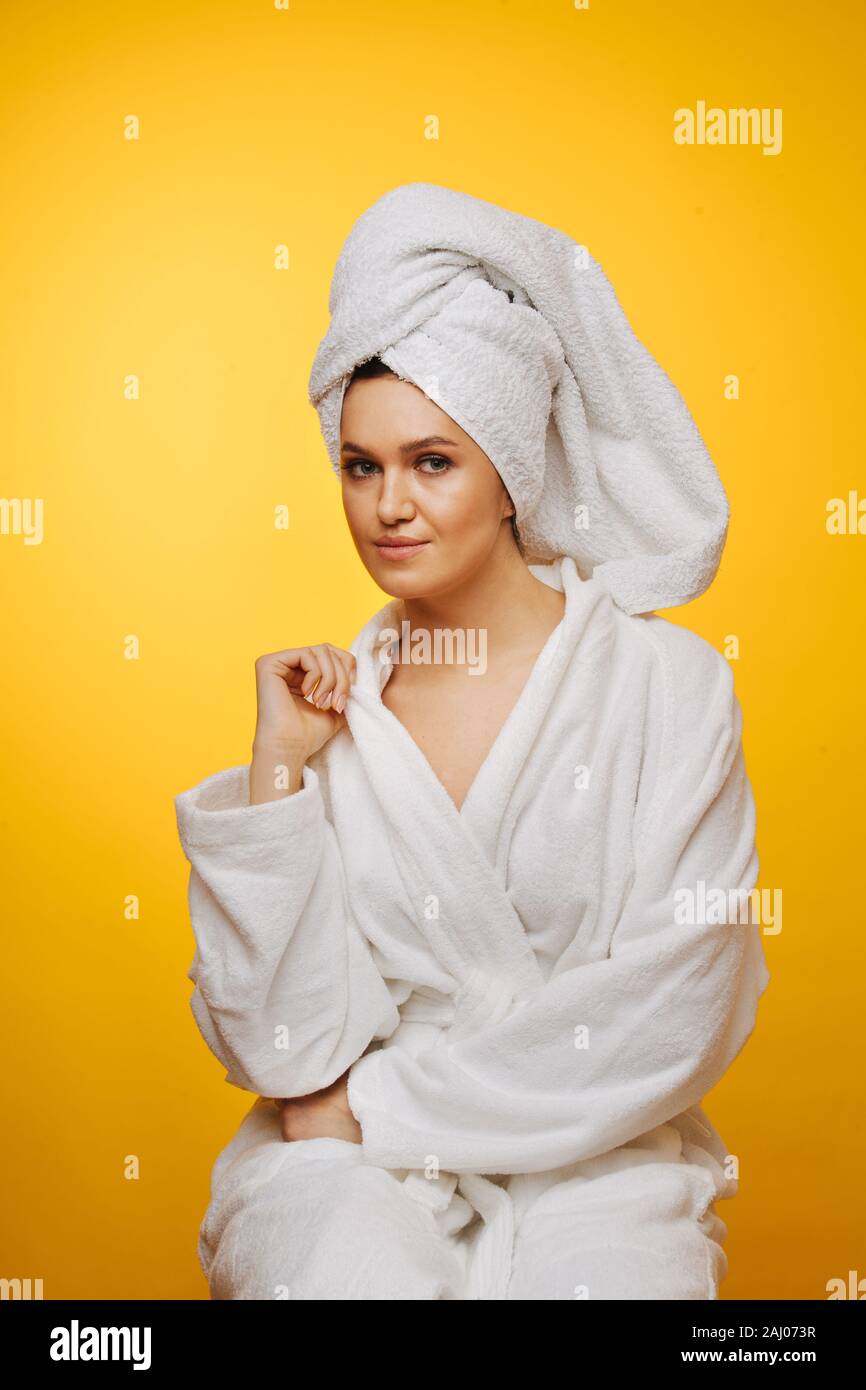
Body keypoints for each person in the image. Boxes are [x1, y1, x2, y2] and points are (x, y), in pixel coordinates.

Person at [174, 183, 770, 1300]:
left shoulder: (664, 691)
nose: (387, 504)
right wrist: (278, 775)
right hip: (342, 1175)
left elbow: (676, 1006)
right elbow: (282, 1055)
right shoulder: (331, 718)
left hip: (597, 1160)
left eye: (431, 461)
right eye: (360, 465)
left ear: (510, 471)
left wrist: (386, 1103)